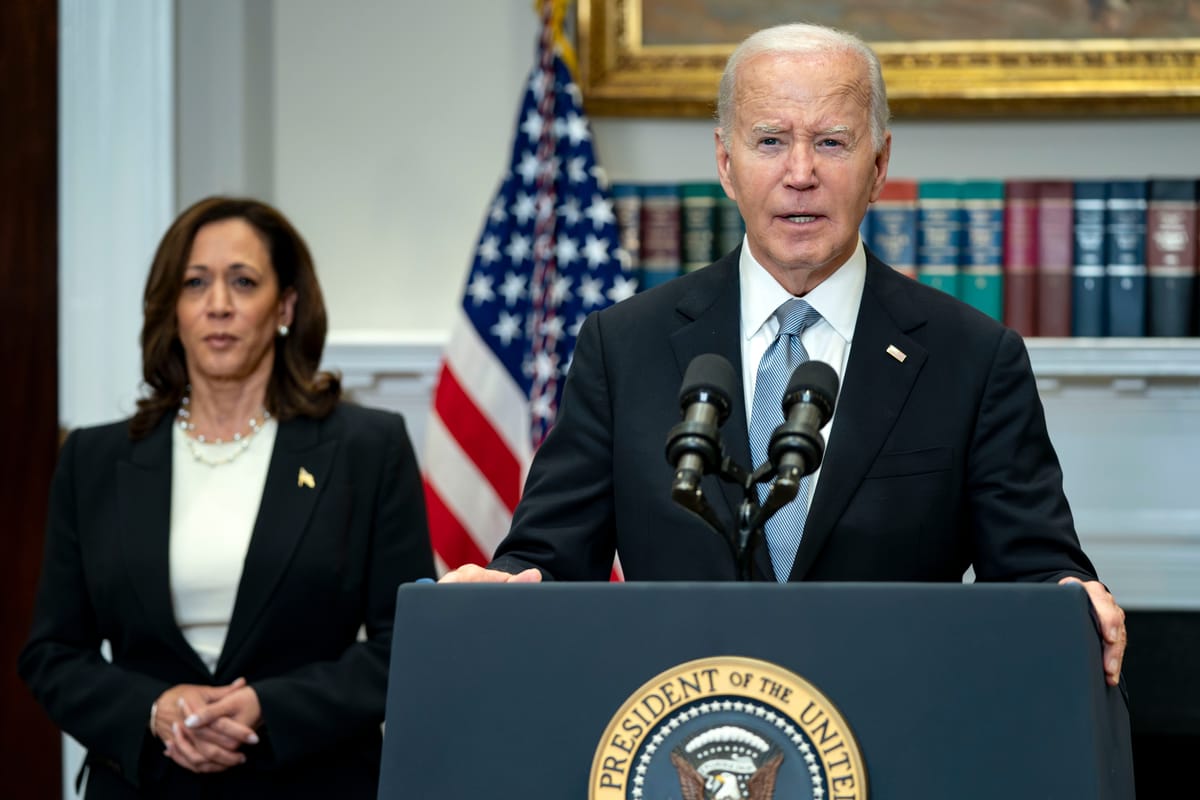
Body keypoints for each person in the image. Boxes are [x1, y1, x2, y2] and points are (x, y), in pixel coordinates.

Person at [442, 23, 1127, 687]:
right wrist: (509, 587)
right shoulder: (623, 347)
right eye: (770, 141)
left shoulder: (973, 357)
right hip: (678, 730)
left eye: (832, 142)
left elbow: (1036, 569)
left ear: (879, 164)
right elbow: (550, 558)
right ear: (726, 163)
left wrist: (1068, 594)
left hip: (888, 732)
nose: (801, 173)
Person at [19, 196, 435, 798]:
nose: (219, 305)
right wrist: (153, 707)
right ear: (173, 309)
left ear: (285, 306)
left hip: (310, 778)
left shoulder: (366, 449)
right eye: (196, 284)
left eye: (243, 281)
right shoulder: (94, 459)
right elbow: (51, 653)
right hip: (146, 780)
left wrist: (271, 706)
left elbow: (408, 645)